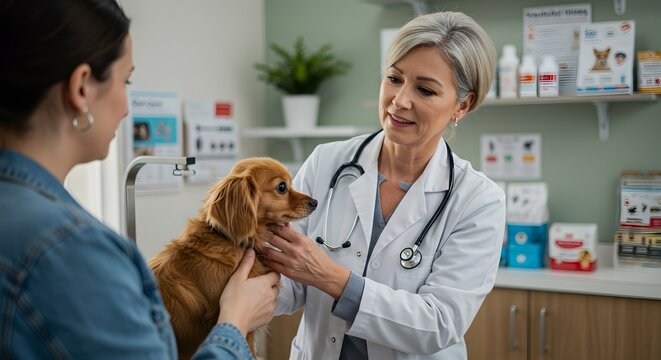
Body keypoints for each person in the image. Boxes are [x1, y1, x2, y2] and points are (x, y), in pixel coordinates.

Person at [0, 1, 279, 359]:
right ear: (81, 87)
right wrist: (235, 323)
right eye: (125, 80)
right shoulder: (71, 249)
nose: (126, 106)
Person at [262, 11, 505, 359]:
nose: (400, 99)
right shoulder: (327, 163)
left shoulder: (478, 200)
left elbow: (438, 324)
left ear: (462, 105)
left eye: (424, 89)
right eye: (394, 78)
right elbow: (287, 280)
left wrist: (331, 277)